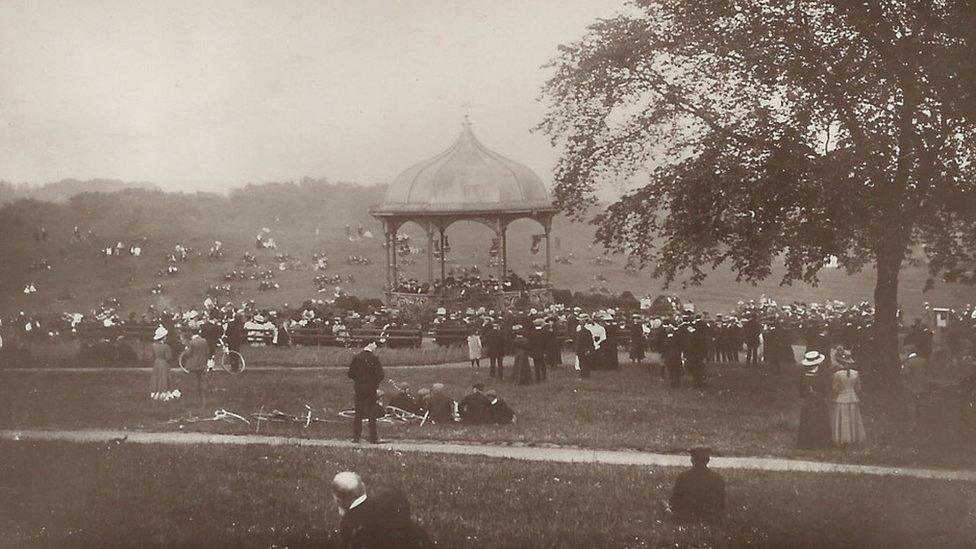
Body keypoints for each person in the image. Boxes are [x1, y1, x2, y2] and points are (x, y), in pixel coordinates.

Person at [331, 472, 427, 549]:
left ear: (338, 499)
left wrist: (344, 511)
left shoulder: (349, 523)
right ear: (363, 487)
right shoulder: (390, 496)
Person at [669, 447, 726, 523]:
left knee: (663, 505)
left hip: (687, 517)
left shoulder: (684, 477)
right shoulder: (717, 478)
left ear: (693, 460)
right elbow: (721, 502)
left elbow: (675, 500)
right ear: (707, 460)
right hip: (711, 517)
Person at [348, 342, 384, 443]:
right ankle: (373, 437)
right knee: (372, 414)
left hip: (359, 389)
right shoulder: (374, 359)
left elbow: (350, 374)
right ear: (370, 344)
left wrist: (358, 379)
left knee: (358, 413)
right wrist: (374, 382)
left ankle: (356, 437)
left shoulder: (357, 358)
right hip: (371, 389)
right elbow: (381, 375)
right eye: (374, 344)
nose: (376, 346)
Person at [831, 349, 866, 446]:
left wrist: (840, 392)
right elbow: (858, 387)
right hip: (853, 397)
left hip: (841, 398)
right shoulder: (855, 373)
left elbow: (835, 388)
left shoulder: (837, 374)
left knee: (843, 419)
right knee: (852, 418)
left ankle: (843, 438)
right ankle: (853, 437)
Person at [797, 351, 832, 449]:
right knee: (820, 419)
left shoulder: (803, 376)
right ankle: (820, 443)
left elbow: (800, 391)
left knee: (807, 420)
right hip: (819, 400)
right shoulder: (823, 375)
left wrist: (807, 395)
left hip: (808, 400)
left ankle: (806, 443)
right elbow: (827, 389)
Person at [179, 325, 212, 399]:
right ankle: (204, 393)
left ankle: (197, 394)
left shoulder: (192, 342)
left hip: (194, 364)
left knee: (195, 379)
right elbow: (207, 352)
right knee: (202, 379)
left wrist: (186, 349)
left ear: (191, 333)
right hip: (202, 363)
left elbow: (188, 354)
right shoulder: (204, 341)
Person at [901, 344, 929, 430]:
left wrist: (902, 369)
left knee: (911, 406)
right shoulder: (923, 360)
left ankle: (912, 425)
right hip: (922, 387)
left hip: (911, 388)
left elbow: (906, 374)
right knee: (922, 405)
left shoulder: (908, 362)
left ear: (908, 352)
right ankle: (923, 424)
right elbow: (926, 373)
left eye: (904, 353)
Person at [150, 326, 176, 401]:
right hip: (164, 363)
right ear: (163, 337)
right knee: (164, 377)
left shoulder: (154, 346)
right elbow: (169, 357)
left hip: (157, 362)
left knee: (157, 376)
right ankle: (163, 392)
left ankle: (155, 391)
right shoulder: (166, 347)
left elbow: (152, 356)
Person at [528, 318, 548, 383]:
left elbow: (530, 343)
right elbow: (546, 343)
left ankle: (538, 379)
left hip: (535, 351)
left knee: (536, 366)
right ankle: (544, 378)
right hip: (542, 351)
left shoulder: (532, 333)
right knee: (543, 366)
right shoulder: (544, 333)